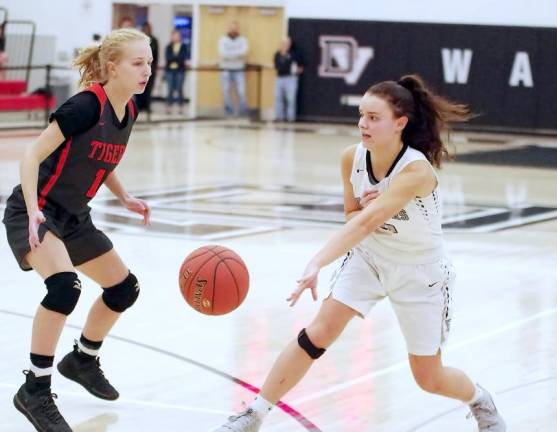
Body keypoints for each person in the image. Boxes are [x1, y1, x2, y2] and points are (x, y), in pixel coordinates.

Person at [214, 75, 507, 432]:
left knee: (428, 378)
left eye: (373, 117)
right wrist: (361, 216)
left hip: (420, 271)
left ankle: (479, 399)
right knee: (317, 332)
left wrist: (318, 261)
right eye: (361, 115)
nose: (362, 124)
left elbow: (365, 222)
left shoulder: (415, 170)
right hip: (370, 258)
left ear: (400, 123)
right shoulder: (351, 157)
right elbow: (354, 217)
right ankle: (254, 414)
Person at [2, 28, 152, 431]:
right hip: (34, 211)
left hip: (74, 217)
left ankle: (82, 358)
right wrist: (34, 210)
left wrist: (123, 196)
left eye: (149, 63)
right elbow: (31, 155)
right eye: (138, 63)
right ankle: (34, 389)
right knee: (64, 288)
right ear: (112, 67)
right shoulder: (85, 105)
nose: (147, 71)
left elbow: (102, 158)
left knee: (124, 288)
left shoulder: (129, 110)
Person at [218, 21, 248, 116]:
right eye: (231, 28)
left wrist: (230, 55)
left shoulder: (243, 40)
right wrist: (236, 55)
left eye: (235, 28)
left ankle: (242, 113)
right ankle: (229, 112)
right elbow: (223, 54)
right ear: (228, 29)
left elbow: (244, 52)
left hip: (239, 69)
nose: (233, 30)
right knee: (226, 91)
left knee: (241, 91)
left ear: (238, 29)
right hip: (225, 69)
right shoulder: (223, 40)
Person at [273, 37, 303, 122]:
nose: (284, 45)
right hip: (279, 78)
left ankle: (290, 118)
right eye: (283, 43)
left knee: (290, 99)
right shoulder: (277, 54)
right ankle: (279, 117)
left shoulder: (295, 54)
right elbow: (276, 66)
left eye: (286, 43)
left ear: (290, 44)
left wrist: (296, 70)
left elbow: (301, 67)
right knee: (278, 98)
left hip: (290, 78)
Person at [164, 29, 190, 114]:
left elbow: (183, 57)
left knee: (179, 88)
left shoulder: (183, 46)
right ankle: (169, 106)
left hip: (180, 70)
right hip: (170, 71)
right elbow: (168, 58)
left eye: (177, 36)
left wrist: (175, 58)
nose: (176, 37)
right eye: (174, 35)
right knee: (170, 89)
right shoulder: (168, 47)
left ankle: (180, 107)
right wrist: (176, 58)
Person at [135, 22, 159, 114]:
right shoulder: (139, 40)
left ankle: (147, 105)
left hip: (151, 68)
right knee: (139, 86)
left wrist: (154, 68)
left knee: (149, 88)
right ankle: (139, 105)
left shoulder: (154, 40)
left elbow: (156, 55)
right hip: (140, 68)